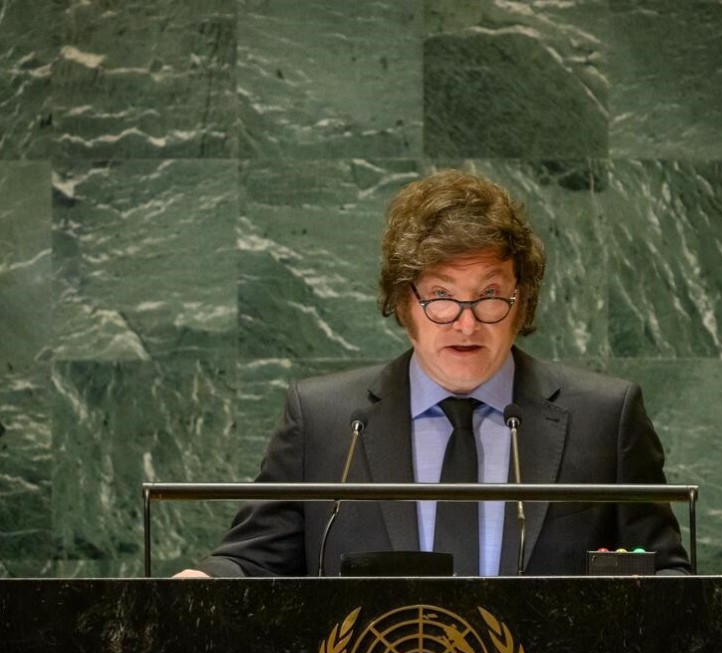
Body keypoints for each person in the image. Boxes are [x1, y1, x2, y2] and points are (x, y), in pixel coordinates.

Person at [175, 169, 691, 578]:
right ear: (404, 302)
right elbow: (254, 560)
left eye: (489, 296)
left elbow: (664, 570)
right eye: (441, 296)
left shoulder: (604, 417)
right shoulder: (326, 421)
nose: (466, 323)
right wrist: (206, 581)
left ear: (522, 300)